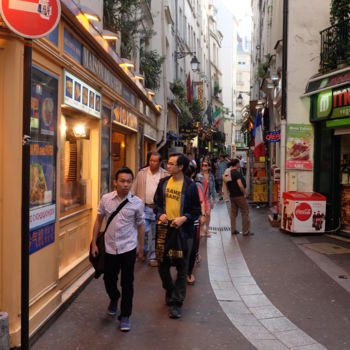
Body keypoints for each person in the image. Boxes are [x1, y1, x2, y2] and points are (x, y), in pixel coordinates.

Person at [91, 167, 145, 332]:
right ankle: (114, 298)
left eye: (129, 181)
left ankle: (125, 315)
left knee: (128, 283)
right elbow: (98, 220)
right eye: (122, 181)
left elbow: (141, 225)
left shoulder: (137, 203)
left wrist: (141, 248)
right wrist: (94, 243)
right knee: (109, 280)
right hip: (109, 248)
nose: (126, 184)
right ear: (115, 182)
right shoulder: (106, 199)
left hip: (128, 247)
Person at [154, 153, 201, 319]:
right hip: (164, 230)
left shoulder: (190, 186)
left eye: (173, 164)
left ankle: (176, 303)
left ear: (181, 167)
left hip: (183, 232)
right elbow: (157, 205)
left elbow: (197, 211)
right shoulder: (163, 183)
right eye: (169, 163)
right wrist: (160, 214)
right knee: (162, 263)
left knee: (182, 267)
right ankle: (169, 288)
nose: (169, 166)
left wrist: (184, 218)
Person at [131, 151, 168, 267]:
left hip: (158, 209)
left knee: (156, 233)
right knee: (144, 232)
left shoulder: (165, 175)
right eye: (151, 160)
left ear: (160, 162)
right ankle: (144, 250)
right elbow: (133, 189)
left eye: (155, 161)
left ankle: (153, 256)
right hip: (144, 207)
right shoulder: (142, 173)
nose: (152, 163)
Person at [185, 166, 206, 285]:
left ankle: (188, 271)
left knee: (192, 245)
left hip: (192, 219)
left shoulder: (195, 185)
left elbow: (200, 201)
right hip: (186, 220)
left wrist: (202, 214)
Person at [222, 158, 252, 236]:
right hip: (239, 196)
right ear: (237, 164)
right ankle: (245, 231)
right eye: (239, 163)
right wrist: (244, 193)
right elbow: (240, 184)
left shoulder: (228, 173)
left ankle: (233, 230)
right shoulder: (237, 173)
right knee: (245, 212)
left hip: (232, 196)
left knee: (233, 213)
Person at [198, 159, 216, 237]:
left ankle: (207, 229)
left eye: (206, 165)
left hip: (208, 197)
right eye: (202, 165)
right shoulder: (199, 176)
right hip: (201, 197)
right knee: (202, 214)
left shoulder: (211, 176)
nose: (204, 167)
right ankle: (202, 229)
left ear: (209, 167)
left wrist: (214, 198)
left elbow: (213, 187)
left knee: (208, 214)